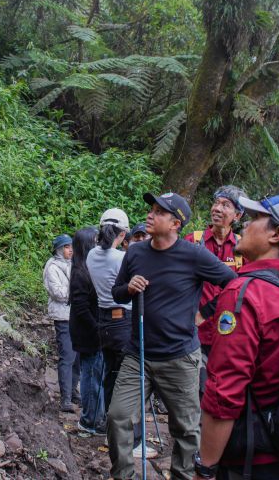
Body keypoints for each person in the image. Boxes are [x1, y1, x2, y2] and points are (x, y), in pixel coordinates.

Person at [196, 192, 279, 480]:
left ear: (277, 234)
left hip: (256, 455)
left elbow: (224, 392)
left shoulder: (247, 291)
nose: (246, 224)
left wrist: (205, 467)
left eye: (256, 218)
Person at [108, 192, 237, 480]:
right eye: (151, 210)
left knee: (186, 429)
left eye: (159, 212)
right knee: (118, 417)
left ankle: (182, 476)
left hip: (179, 357)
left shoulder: (193, 255)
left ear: (176, 223)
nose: (150, 216)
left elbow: (232, 282)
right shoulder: (136, 252)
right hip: (138, 354)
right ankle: (123, 475)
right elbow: (116, 293)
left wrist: (205, 312)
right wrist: (128, 288)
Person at [87, 209, 155, 456]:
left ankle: (112, 432)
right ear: (124, 234)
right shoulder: (122, 258)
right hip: (123, 321)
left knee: (110, 377)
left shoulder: (91, 255)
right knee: (130, 382)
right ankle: (133, 442)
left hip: (103, 321)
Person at [184, 185, 247, 396]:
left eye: (226, 205)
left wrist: (207, 311)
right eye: (216, 203)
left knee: (220, 389)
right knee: (198, 390)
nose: (217, 208)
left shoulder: (243, 247)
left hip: (229, 332)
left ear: (237, 215)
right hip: (195, 332)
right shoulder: (194, 241)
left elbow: (245, 287)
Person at [68, 227, 105, 434]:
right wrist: (97, 328)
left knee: (93, 374)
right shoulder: (81, 273)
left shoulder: (85, 268)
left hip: (89, 331)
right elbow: (81, 307)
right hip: (88, 333)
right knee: (91, 376)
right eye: (96, 241)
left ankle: (93, 416)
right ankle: (90, 419)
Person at [43, 233, 80, 412]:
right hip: (62, 316)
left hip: (76, 314)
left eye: (71, 246)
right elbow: (57, 293)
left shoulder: (74, 264)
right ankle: (65, 398)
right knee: (67, 356)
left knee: (78, 357)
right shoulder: (52, 267)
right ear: (58, 249)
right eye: (66, 247)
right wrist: (77, 292)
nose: (70, 250)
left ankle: (73, 392)